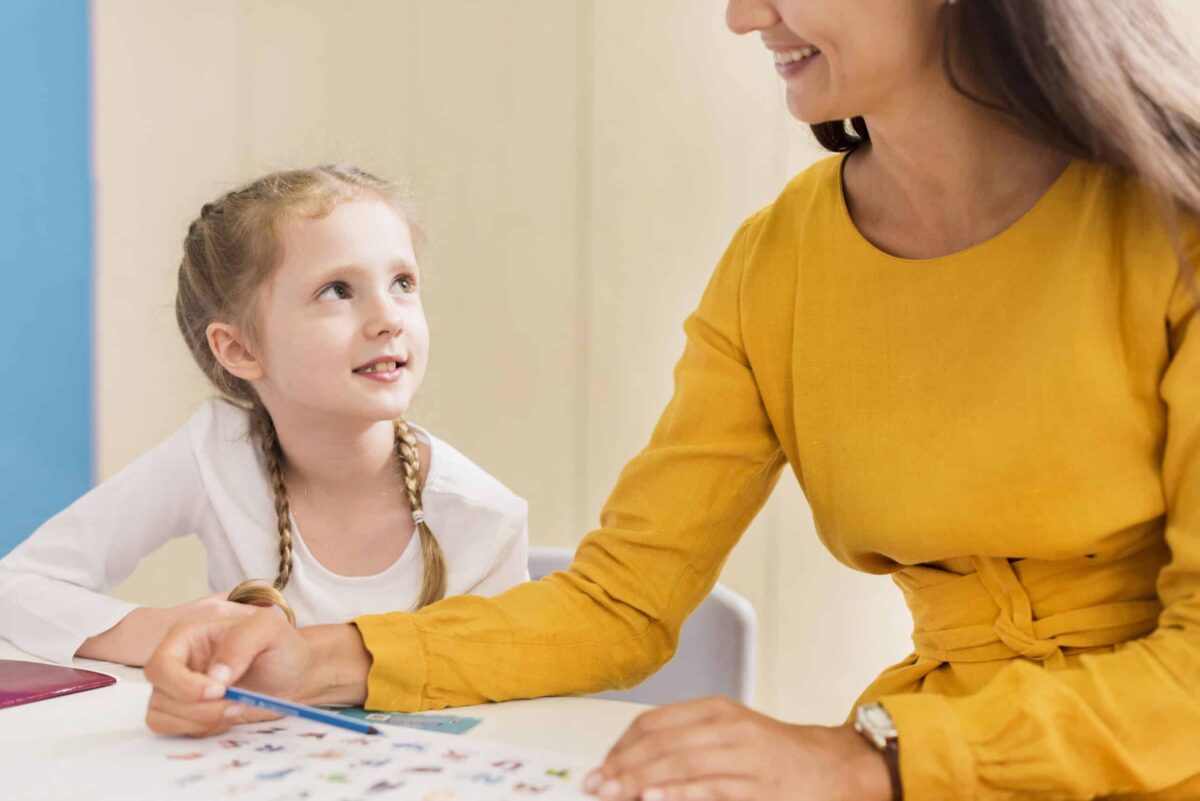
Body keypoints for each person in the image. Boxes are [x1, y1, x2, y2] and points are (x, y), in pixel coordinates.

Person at [142, 1, 1200, 799]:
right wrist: (321, 657)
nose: (742, 15)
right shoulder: (778, 261)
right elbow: (625, 600)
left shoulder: (1174, 220)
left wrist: (873, 757)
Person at [0, 165, 529, 668]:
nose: (389, 318)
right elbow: (17, 586)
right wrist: (166, 631)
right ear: (240, 349)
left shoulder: (484, 518)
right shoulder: (218, 451)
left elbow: (516, 692)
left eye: (403, 283)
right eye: (337, 291)